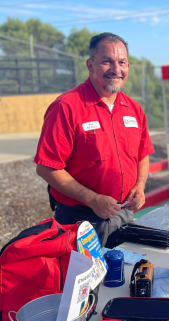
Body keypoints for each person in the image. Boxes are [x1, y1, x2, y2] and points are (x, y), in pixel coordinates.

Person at [34, 32, 154, 232]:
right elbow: (46, 168)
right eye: (107, 62)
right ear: (90, 65)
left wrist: (140, 186)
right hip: (80, 220)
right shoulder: (67, 107)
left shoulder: (134, 109)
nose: (116, 69)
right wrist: (93, 199)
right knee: (83, 265)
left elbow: (142, 154)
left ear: (128, 67)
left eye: (122, 62)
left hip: (124, 213)